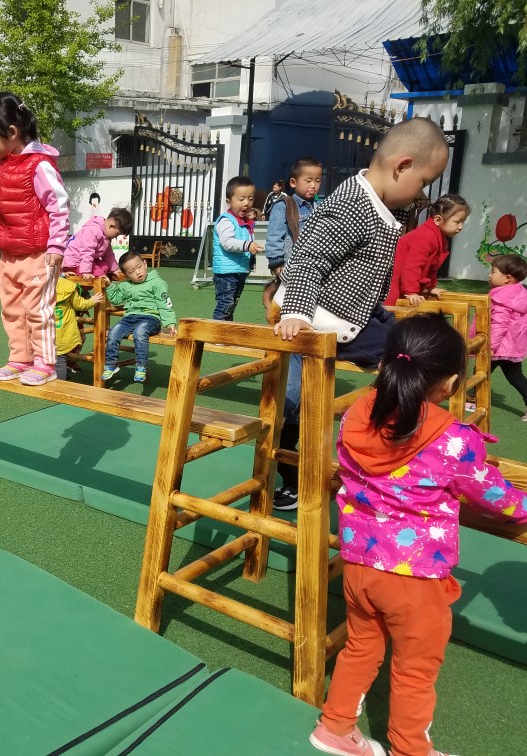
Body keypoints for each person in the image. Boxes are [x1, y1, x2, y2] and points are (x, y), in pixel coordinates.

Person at [308, 313, 527, 756]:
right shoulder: (453, 439)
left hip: (359, 564)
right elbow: (495, 498)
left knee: (361, 646)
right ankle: (410, 749)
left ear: (386, 365)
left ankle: (334, 728)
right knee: (414, 670)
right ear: (450, 383)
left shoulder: (357, 414)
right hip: (416, 578)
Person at [271, 117, 450, 511]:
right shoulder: (352, 205)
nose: (421, 193)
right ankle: (392, 445)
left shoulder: (379, 204)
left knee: (412, 342)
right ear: (402, 166)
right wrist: (297, 312)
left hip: (357, 311)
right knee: (405, 358)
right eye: (423, 181)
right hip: (324, 317)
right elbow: (309, 258)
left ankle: (398, 437)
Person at [0, 91, 69, 387]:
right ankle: (20, 358)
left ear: (11, 132)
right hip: (9, 255)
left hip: (39, 254)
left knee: (38, 310)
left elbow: (59, 206)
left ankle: (45, 363)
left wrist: (57, 245)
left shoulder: (39, 165)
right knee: (12, 310)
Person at [101, 251, 177, 384]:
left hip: (150, 319)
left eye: (139, 267)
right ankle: (111, 364)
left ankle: (141, 366)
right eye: (131, 272)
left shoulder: (157, 283)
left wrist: (170, 323)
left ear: (145, 264)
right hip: (130, 318)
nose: (137, 273)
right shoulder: (126, 285)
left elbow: (164, 304)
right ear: (126, 275)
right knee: (113, 332)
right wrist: (109, 286)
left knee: (140, 332)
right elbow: (116, 299)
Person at [384, 194, 470, 307]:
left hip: (402, 280)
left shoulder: (438, 237)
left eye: (463, 222)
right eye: (457, 222)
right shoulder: (425, 236)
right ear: (438, 220)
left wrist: (430, 287)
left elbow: (431, 267)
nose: (460, 227)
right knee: (390, 308)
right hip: (393, 280)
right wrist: (411, 291)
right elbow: (412, 266)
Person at [262, 157, 322, 316]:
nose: (313, 185)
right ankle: (271, 301)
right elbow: (274, 235)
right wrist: (276, 262)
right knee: (285, 306)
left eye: (317, 181)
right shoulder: (284, 205)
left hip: (313, 265)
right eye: (308, 180)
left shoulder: (319, 207)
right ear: (293, 182)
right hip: (291, 264)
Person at [212, 176, 264, 321]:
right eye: (241, 199)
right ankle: (217, 331)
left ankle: (226, 328)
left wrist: (251, 260)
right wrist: (248, 245)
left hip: (239, 270)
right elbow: (227, 242)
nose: (246, 203)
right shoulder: (226, 220)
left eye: (250, 199)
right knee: (225, 304)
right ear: (229, 202)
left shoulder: (245, 222)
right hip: (227, 272)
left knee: (232, 304)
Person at [487, 253, 527, 420]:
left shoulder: (501, 298)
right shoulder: (519, 293)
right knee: (514, 375)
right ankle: (475, 396)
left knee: (484, 371)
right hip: (512, 346)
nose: (489, 275)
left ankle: (474, 397)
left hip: (500, 347)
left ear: (507, 278)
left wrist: (490, 346)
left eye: (493, 271)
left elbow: (499, 325)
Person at [63, 207, 134, 281]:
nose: (116, 237)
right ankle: (83, 283)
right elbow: (87, 251)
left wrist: (114, 269)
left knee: (105, 267)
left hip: (87, 260)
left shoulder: (106, 235)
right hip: (75, 261)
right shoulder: (93, 230)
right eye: (117, 234)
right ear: (111, 226)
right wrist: (86, 271)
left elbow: (109, 254)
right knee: (100, 274)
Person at [54, 277, 103, 380]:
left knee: (46, 359)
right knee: (60, 359)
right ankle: (61, 383)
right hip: (63, 333)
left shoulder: (38, 284)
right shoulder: (66, 285)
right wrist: (92, 301)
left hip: (44, 332)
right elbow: (79, 305)